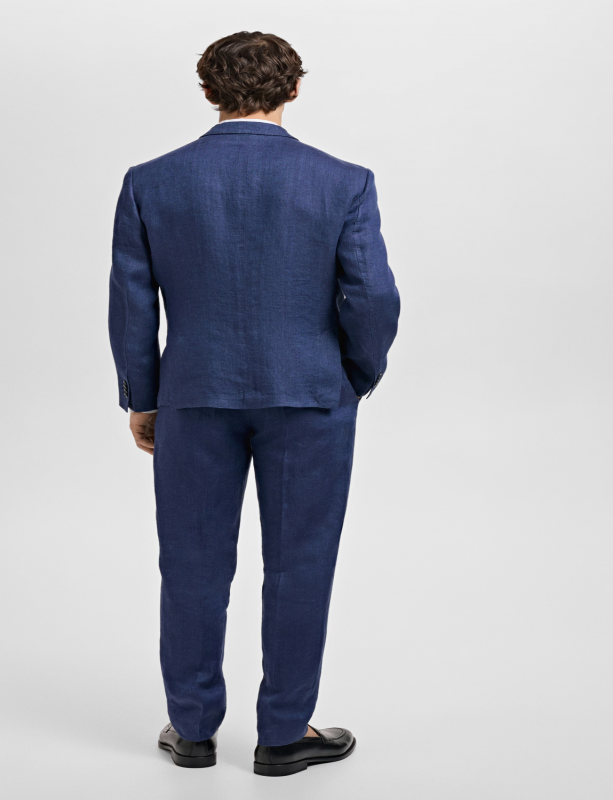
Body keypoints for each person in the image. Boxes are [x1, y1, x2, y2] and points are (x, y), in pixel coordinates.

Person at [108, 30, 400, 777]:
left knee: (192, 564)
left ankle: (192, 730)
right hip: (310, 396)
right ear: (294, 89)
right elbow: (373, 297)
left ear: (208, 90)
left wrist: (144, 398)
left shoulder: (151, 181)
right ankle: (284, 734)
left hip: (193, 396)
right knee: (301, 564)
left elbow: (133, 304)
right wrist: (352, 375)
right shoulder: (343, 181)